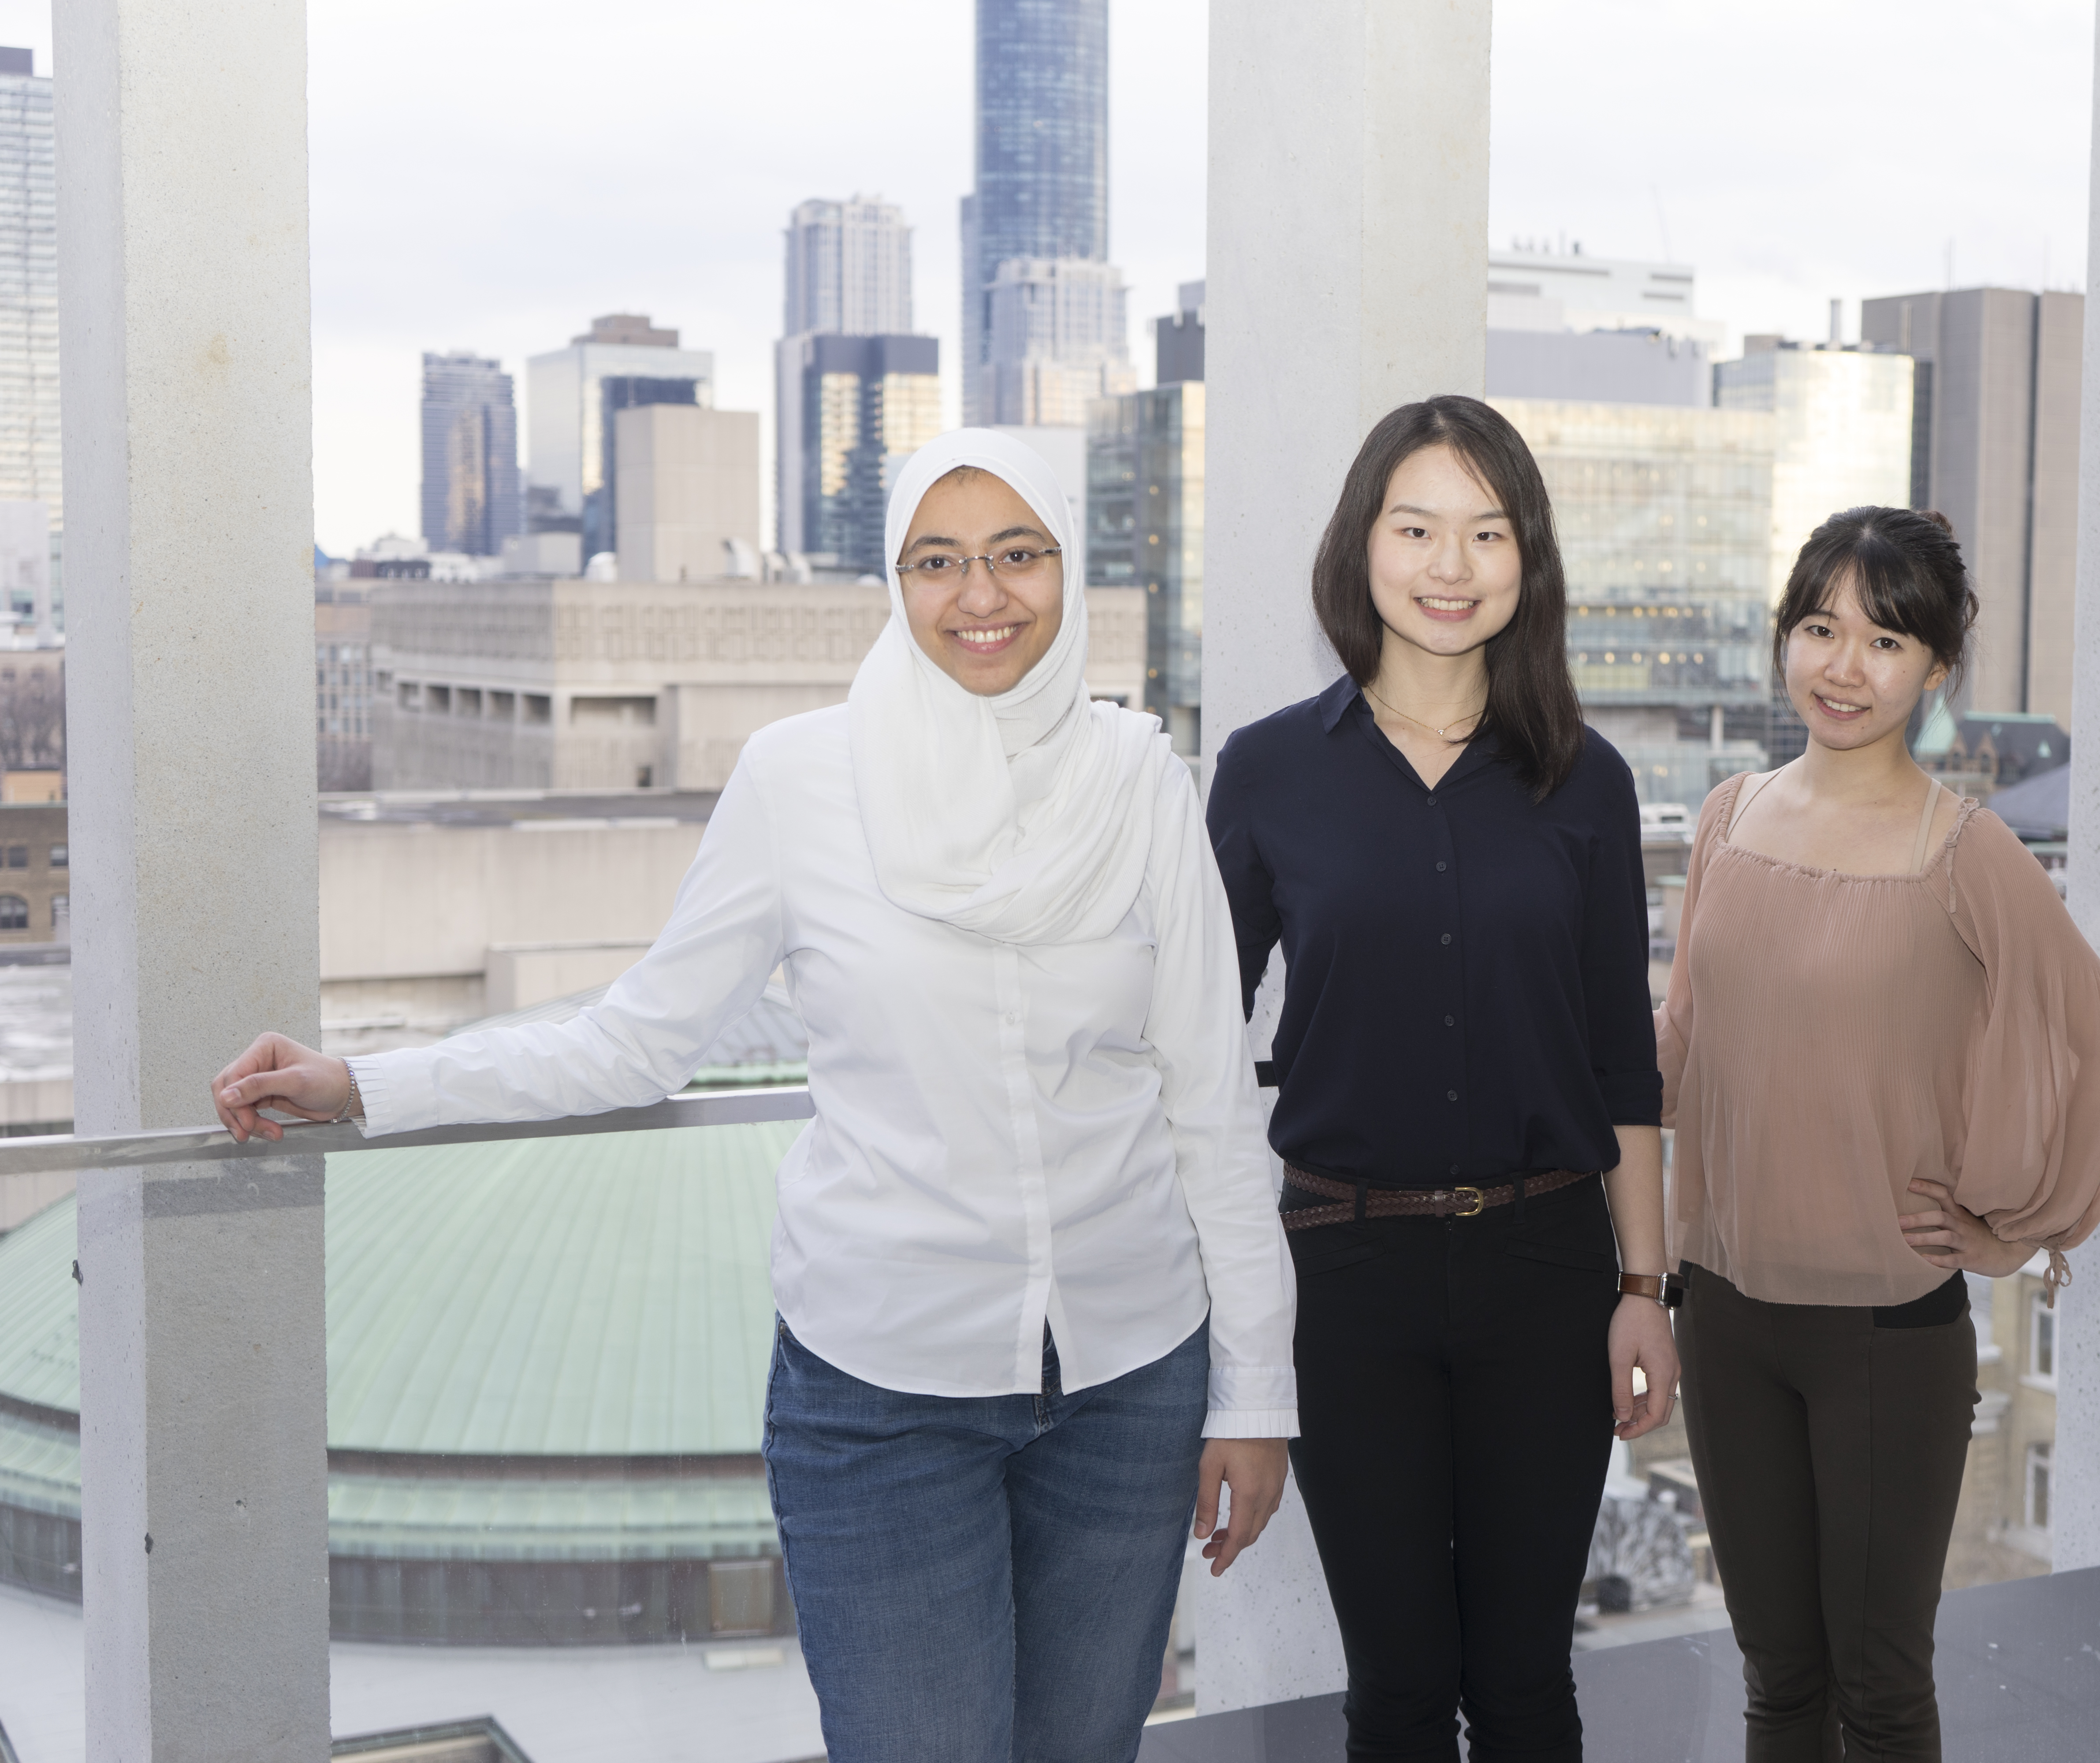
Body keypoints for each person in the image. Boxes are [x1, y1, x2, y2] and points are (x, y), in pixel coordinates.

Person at [211, 430, 1296, 1763]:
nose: (982, 597)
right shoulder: (802, 781)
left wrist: (1254, 1396)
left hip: (1132, 1384)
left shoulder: (1141, 782)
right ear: (891, 583)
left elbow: (1210, 1104)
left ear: (1070, 569)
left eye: (1020, 556)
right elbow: (636, 1041)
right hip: (885, 1397)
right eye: (937, 561)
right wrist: (366, 1084)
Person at [1207, 396, 1674, 1763]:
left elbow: (1621, 1062)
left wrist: (1647, 1290)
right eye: (1417, 529)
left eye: (1487, 531)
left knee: (1528, 1682)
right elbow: (1189, 1050)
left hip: (1547, 1268)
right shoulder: (1268, 772)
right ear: (1363, 548)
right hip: (1347, 1279)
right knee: (1400, 1689)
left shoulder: (1585, 781)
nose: (1451, 566)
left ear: (1529, 558)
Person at [1655, 506, 2100, 1761]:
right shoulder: (1726, 816)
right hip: (1719, 1312)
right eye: (1818, 629)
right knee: (1778, 1682)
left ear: (1936, 667)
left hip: (1886, 1332)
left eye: (1883, 641)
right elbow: (1682, 1044)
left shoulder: (1964, 849)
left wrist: (2013, 1227)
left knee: (1878, 1693)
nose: (1842, 666)